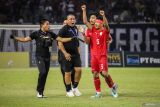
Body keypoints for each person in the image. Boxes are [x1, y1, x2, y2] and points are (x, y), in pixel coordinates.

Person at [10, 18, 75, 98]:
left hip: (47, 57)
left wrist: (71, 38)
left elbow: (60, 39)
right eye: (47, 24)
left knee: (45, 75)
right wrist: (14, 37)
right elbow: (24, 39)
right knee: (43, 72)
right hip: (39, 57)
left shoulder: (51, 34)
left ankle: (40, 93)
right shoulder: (36, 34)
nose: (49, 25)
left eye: (48, 24)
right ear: (42, 25)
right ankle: (39, 91)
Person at [81, 4, 118, 98]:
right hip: (94, 56)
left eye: (97, 21)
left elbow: (107, 26)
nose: (95, 23)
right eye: (95, 21)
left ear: (101, 23)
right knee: (95, 74)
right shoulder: (92, 30)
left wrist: (103, 16)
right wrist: (84, 10)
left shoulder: (105, 31)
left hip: (102, 55)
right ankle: (98, 93)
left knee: (104, 73)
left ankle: (113, 86)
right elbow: (85, 22)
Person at [58, 14, 82, 97]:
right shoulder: (63, 30)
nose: (72, 20)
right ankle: (68, 90)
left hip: (75, 53)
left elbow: (76, 41)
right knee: (67, 73)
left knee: (78, 70)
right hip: (66, 54)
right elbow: (59, 42)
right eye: (71, 19)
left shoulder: (75, 28)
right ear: (67, 20)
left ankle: (75, 87)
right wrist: (65, 53)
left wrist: (78, 51)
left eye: (74, 19)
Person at [58, 19, 75, 92]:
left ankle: (74, 88)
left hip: (72, 53)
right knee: (65, 72)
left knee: (73, 72)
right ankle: (68, 89)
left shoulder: (71, 33)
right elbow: (59, 45)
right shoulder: (60, 34)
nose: (65, 25)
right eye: (64, 24)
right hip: (62, 54)